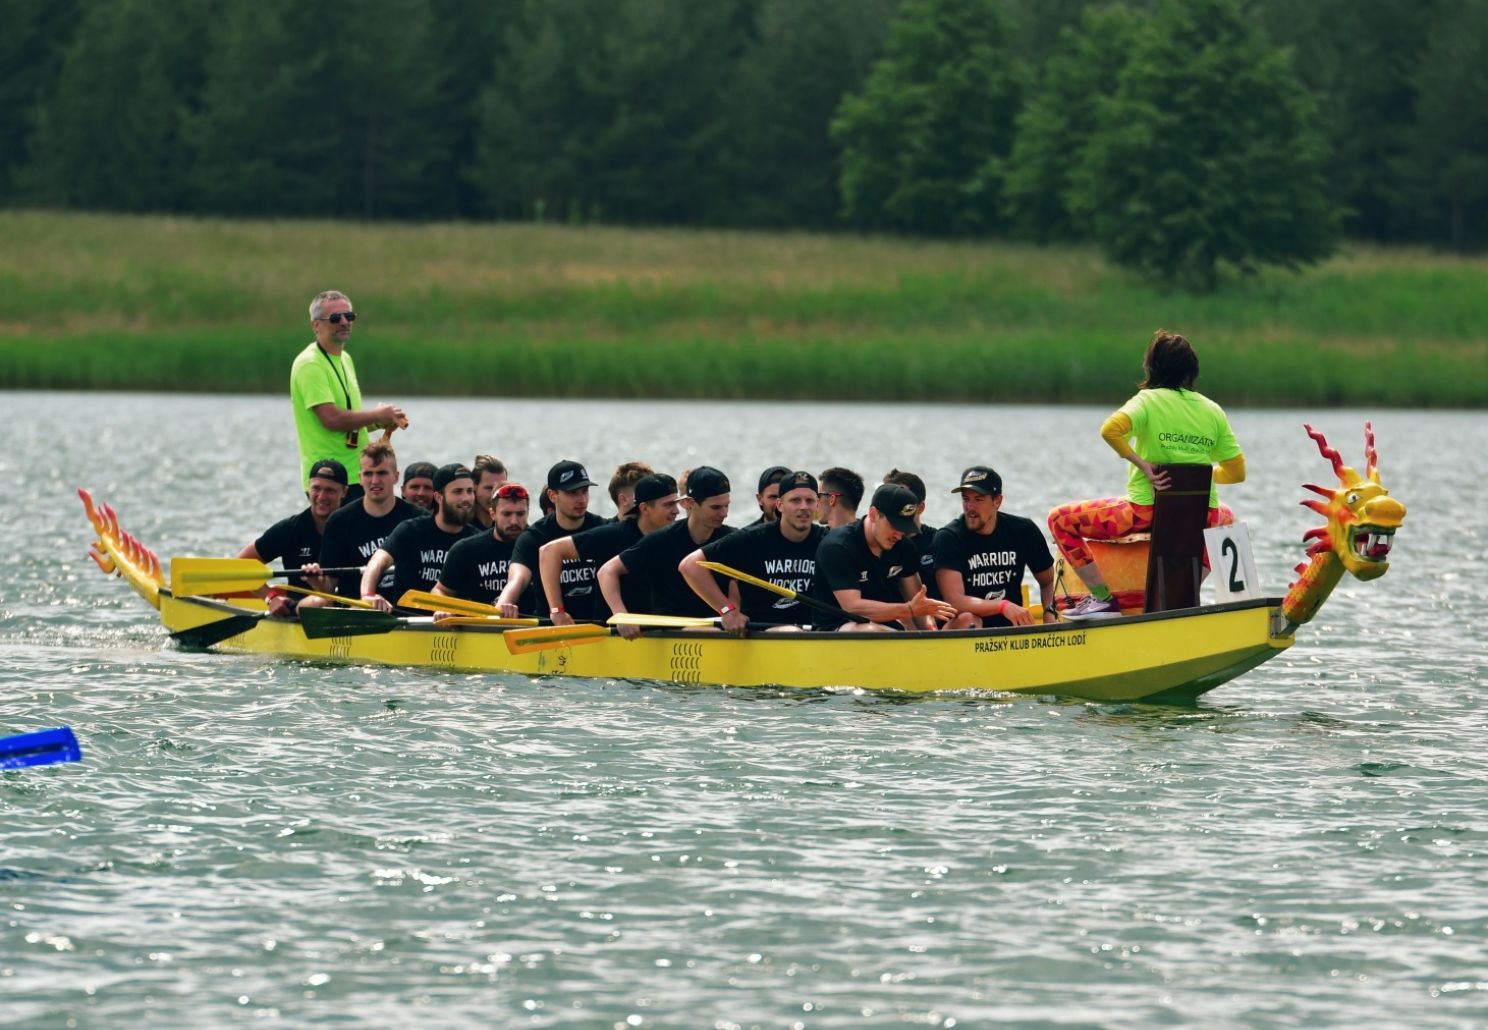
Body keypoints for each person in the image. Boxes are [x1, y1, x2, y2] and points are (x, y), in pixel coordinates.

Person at [1048, 329, 1246, 620]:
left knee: (1058, 520)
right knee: (1226, 517)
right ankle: (1183, 595)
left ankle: (1102, 600)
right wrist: (1203, 478)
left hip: (1146, 512)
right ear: (1192, 371)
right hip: (1202, 515)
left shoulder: (1147, 401)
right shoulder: (1213, 410)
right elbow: (1237, 471)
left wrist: (1142, 465)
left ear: (1152, 367)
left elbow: (1109, 430)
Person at [290, 290, 407, 492]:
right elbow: (332, 420)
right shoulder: (310, 364)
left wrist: (379, 421)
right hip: (328, 481)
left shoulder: (345, 359)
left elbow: (350, 422)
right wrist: (377, 413)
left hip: (358, 476)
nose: (344, 322)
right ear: (315, 325)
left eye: (349, 316)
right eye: (335, 318)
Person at [681, 469, 825, 634]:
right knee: (791, 632)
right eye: (795, 501)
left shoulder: (827, 540)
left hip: (815, 632)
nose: (804, 507)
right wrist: (728, 610)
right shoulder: (752, 538)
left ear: (817, 505)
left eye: (809, 501)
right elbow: (691, 565)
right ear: (780, 505)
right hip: (762, 633)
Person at [599, 466, 734, 639]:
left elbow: (736, 582)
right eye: (716, 507)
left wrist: (733, 611)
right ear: (689, 504)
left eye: (727, 506)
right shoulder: (660, 540)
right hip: (670, 635)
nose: (724, 514)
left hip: (720, 628)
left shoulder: (731, 537)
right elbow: (607, 571)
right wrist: (621, 615)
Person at [809, 483, 961, 632]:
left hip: (888, 626)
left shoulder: (903, 546)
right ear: (873, 514)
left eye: (904, 528)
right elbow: (853, 607)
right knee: (871, 631)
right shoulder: (838, 546)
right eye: (895, 526)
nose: (899, 535)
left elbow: (919, 604)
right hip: (836, 629)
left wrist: (931, 631)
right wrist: (908, 610)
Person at [541, 472, 680, 626]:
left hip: (662, 633)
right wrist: (557, 611)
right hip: (615, 635)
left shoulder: (676, 536)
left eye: (677, 503)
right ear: (644, 508)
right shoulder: (614, 534)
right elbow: (550, 552)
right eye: (668, 505)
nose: (676, 511)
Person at [300, 440, 423, 605]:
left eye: (382, 473)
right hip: (358, 613)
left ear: (396, 476)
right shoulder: (339, 522)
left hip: (409, 614)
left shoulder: (419, 519)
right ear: (359, 478)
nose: (375, 480)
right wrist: (316, 582)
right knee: (316, 603)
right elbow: (329, 589)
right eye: (368, 474)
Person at [935, 466, 1057, 627]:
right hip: (964, 629)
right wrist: (1002, 606)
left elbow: (1048, 582)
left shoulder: (1023, 530)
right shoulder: (948, 538)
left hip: (1011, 628)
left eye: (978, 499)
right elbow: (955, 601)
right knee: (968, 619)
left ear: (997, 501)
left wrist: (1049, 613)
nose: (970, 507)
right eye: (966, 499)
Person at [360, 464, 481, 612]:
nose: (466, 498)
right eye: (457, 492)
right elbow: (377, 561)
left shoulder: (476, 540)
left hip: (455, 627)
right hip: (408, 624)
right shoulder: (411, 530)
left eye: (470, 491)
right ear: (438, 497)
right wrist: (368, 595)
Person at [496, 460, 607, 620]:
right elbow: (517, 579)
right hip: (551, 629)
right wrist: (504, 603)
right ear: (552, 496)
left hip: (598, 628)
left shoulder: (602, 528)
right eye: (572, 493)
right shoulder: (533, 537)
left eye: (584, 491)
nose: (582, 499)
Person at [237, 458, 347, 618]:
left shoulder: (355, 526)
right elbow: (242, 565)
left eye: (330, 490)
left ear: (344, 492)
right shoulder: (290, 529)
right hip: (301, 610)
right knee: (320, 603)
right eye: (316, 488)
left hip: (351, 608)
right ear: (308, 488)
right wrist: (271, 598)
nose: (322, 496)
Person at [435, 482, 532, 608]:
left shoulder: (541, 546)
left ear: (528, 513)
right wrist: (443, 608)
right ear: (493, 514)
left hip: (528, 624)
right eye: (506, 514)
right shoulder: (466, 549)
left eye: (520, 514)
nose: (514, 521)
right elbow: (440, 590)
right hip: (477, 624)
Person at [882, 469, 941, 599]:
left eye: (903, 502)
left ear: (921, 507)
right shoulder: (877, 544)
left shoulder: (938, 541)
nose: (896, 508)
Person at [471, 455, 509, 531]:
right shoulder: (460, 526)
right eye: (489, 488)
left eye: (500, 487)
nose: (495, 495)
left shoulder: (512, 524)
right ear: (474, 485)